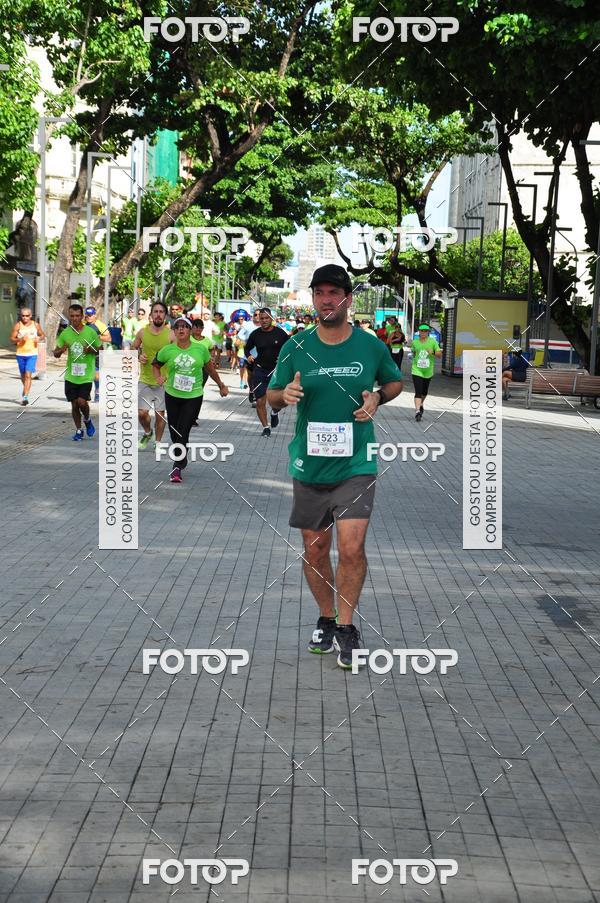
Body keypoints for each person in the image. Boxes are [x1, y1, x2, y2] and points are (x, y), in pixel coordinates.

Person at [267, 264, 403, 669]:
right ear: (313, 299)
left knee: (351, 546)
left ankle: (346, 627)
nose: (326, 299)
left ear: (348, 299)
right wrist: (283, 394)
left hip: (356, 463)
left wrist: (378, 397)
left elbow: (394, 382)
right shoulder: (296, 346)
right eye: (319, 293)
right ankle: (326, 617)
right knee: (316, 548)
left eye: (334, 293)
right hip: (310, 465)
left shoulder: (370, 346)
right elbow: (271, 396)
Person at [152, 316, 228, 483]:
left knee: (183, 430)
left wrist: (221, 385)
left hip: (193, 396)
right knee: (174, 432)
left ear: (190, 330)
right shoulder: (168, 350)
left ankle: (177, 466)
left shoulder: (200, 350)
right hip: (172, 395)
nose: (181, 329)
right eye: (177, 327)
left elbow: (210, 369)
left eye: (184, 327)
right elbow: (155, 364)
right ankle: (182, 457)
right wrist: (158, 377)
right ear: (174, 331)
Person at [53, 303, 102, 440]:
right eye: (72, 316)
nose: (74, 318)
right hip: (71, 375)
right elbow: (55, 353)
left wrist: (91, 349)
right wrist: (60, 350)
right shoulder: (66, 333)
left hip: (86, 375)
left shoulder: (90, 332)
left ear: (82, 317)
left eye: (77, 316)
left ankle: (87, 419)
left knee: (81, 402)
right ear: (69, 316)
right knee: (74, 404)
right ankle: (79, 430)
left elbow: (101, 349)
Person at [131, 301, 171, 450]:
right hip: (145, 380)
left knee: (160, 415)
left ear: (165, 316)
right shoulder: (142, 332)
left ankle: (158, 443)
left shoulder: (170, 334)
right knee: (142, 413)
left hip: (163, 381)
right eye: (156, 312)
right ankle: (148, 432)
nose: (158, 314)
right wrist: (139, 355)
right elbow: (133, 347)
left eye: (161, 312)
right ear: (151, 315)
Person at [246, 308, 289, 437]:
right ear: (258, 319)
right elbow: (247, 348)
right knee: (260, 401)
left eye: (266, 318)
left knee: (278, 401)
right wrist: (248, 355)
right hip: (260, 369)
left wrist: (283, 358)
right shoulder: (255, 334)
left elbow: (290, 349)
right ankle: (266, 427)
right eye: (261, 318)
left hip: (277, 370)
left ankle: (275, 412)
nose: (264, 321)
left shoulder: (280, 334)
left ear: (271, 319)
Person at [10, 308, 45, 405]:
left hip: (32, 354)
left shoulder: (35, 325)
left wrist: (38, 338)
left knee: (28, 375)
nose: (25, 318)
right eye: (23, 316)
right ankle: (26, 388)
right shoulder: (18, 325)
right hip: (20, 354)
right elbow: (12, 339)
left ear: (30, 316)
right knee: (23, 375)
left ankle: (25, 397)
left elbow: (42, 335)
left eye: (27, 316)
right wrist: (20, 339)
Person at [410, 324, 441, 421]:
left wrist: (432, 352)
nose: (423, 332)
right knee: (418, 391)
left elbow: (439, 355)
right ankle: (417, 411)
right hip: (417, 370)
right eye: (421, 331)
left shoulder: (433, 342)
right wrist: (412, 357)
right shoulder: (415, 342)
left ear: (428, 332)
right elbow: (413, 353)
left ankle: (421, 404)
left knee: (424, 392)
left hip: (428, 371)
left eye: (425, 331)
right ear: (418, 331)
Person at [84, 307, 111, 401]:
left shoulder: (100, 325)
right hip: (84, 354)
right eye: (87, 315)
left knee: (96, 375)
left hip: (97, 353)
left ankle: (98, 392)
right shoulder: (82, 324)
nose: (89, 317)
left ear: (95, 315)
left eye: (91, 315)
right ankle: (86, 393)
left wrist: (98, 337)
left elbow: (108, 338)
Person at [236, 309, 260, 405]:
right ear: (253, 316)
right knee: (251, 375)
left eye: (260, 314)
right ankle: (252, 390)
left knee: (258, 375)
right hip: (250, 355)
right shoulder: (247, 325)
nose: (257, 316)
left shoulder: (266, 325)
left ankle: (257, 394)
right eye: (255, 314)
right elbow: (239, 338)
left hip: (262, 356)